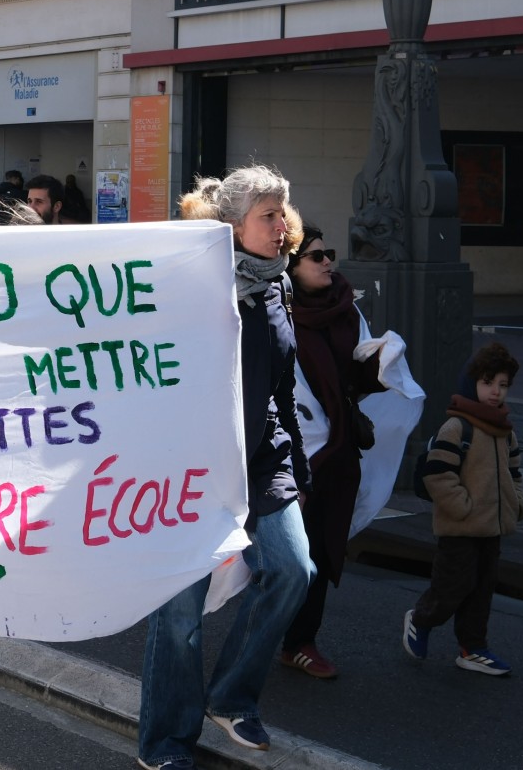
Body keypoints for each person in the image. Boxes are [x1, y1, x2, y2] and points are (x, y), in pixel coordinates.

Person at [137, 166, 312, 770]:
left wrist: (298, 467)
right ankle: (165, 743)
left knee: (293, 570)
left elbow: (282, 386)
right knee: (178, 610)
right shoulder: (190, 282)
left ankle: (231, 697)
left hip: (261, 459)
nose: (283, 227)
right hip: (189, 462)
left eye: (282, 214)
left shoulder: (278, 285)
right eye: (269, 216)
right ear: (234, 225)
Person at [278, 225, 381, 679]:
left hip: (337, 451)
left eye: (328, 254)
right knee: (288, 558)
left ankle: (300, 641)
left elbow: (357, 376)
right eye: (316, 257)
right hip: (291, 455)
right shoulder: (277, 312)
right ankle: (268, 635)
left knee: (320, 548)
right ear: (292, 267)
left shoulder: (345, 307)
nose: (327, 263)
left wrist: (382, 365)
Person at [403, 341, 523, 677]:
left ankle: (473, 649)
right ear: (472, 383)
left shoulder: (505, 432)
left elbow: (515, 472)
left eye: (503, 385)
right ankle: (421, 619)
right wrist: (462, 508)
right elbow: (437, 474)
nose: (496, 392)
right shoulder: (457, 427)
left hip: (492, 529)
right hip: (459, 528)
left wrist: (517, 504)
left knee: (482, 591)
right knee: (452, 587)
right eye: (488, 383)